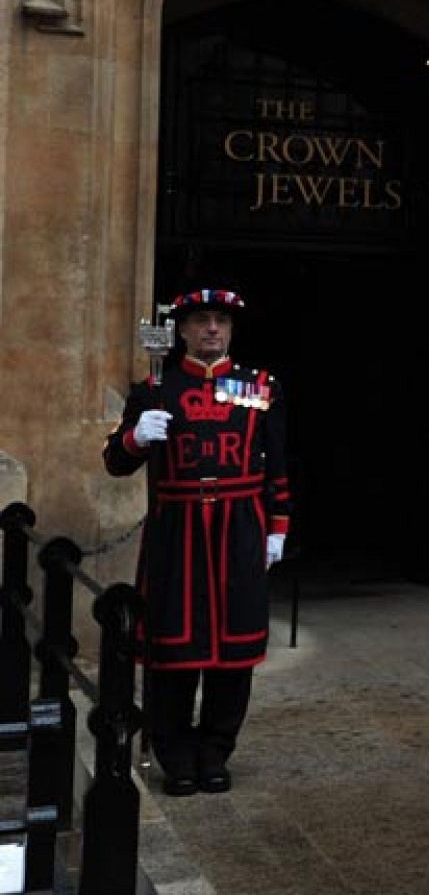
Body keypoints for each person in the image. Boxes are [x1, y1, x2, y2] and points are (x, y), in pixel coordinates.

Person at [102, 288, 290, 797]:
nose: (212, 329)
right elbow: (116, 462)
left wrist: (277, 527)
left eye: (221, 321)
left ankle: (216, 751)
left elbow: (277, 463)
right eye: (202, 321)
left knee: (234, 652)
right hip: (177, 530)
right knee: (173, 651)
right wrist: (135, 436)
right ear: (182, 330)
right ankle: (175, 754)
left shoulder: (259, 386)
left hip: (240, 529)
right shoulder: (155, 390)